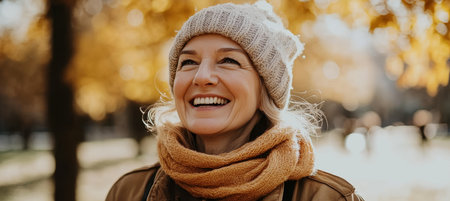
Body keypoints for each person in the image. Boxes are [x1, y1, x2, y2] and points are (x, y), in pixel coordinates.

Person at [106, 1, 364, 201]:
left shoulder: (329, 197)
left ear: (265, 89)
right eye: (188, 62)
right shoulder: (128, 192)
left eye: (229, 60)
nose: (202, 76)